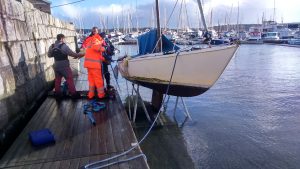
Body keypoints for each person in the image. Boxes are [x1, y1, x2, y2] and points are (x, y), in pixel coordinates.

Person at [48, 34, 85, 99]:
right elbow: (72, 54)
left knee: (57, 80)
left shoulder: (52, 46)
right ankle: (74, 94)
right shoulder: (63, 46)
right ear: (62, 39)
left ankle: (57, 94)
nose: (64, 40)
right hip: (64, 66)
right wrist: (81, 54)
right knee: (69, 79)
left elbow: (49, 55)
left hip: (56, 66)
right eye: (64, 39)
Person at [82, 27, 106, 100]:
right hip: (94, 65)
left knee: (91, 80)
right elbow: (96, 48)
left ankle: (91, 95)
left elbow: (95, 53)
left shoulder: (90, 40)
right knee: (98, 80)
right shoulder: (96, 40)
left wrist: (103, 59)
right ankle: (101, 95)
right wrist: (104, 49)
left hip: (89, 65)